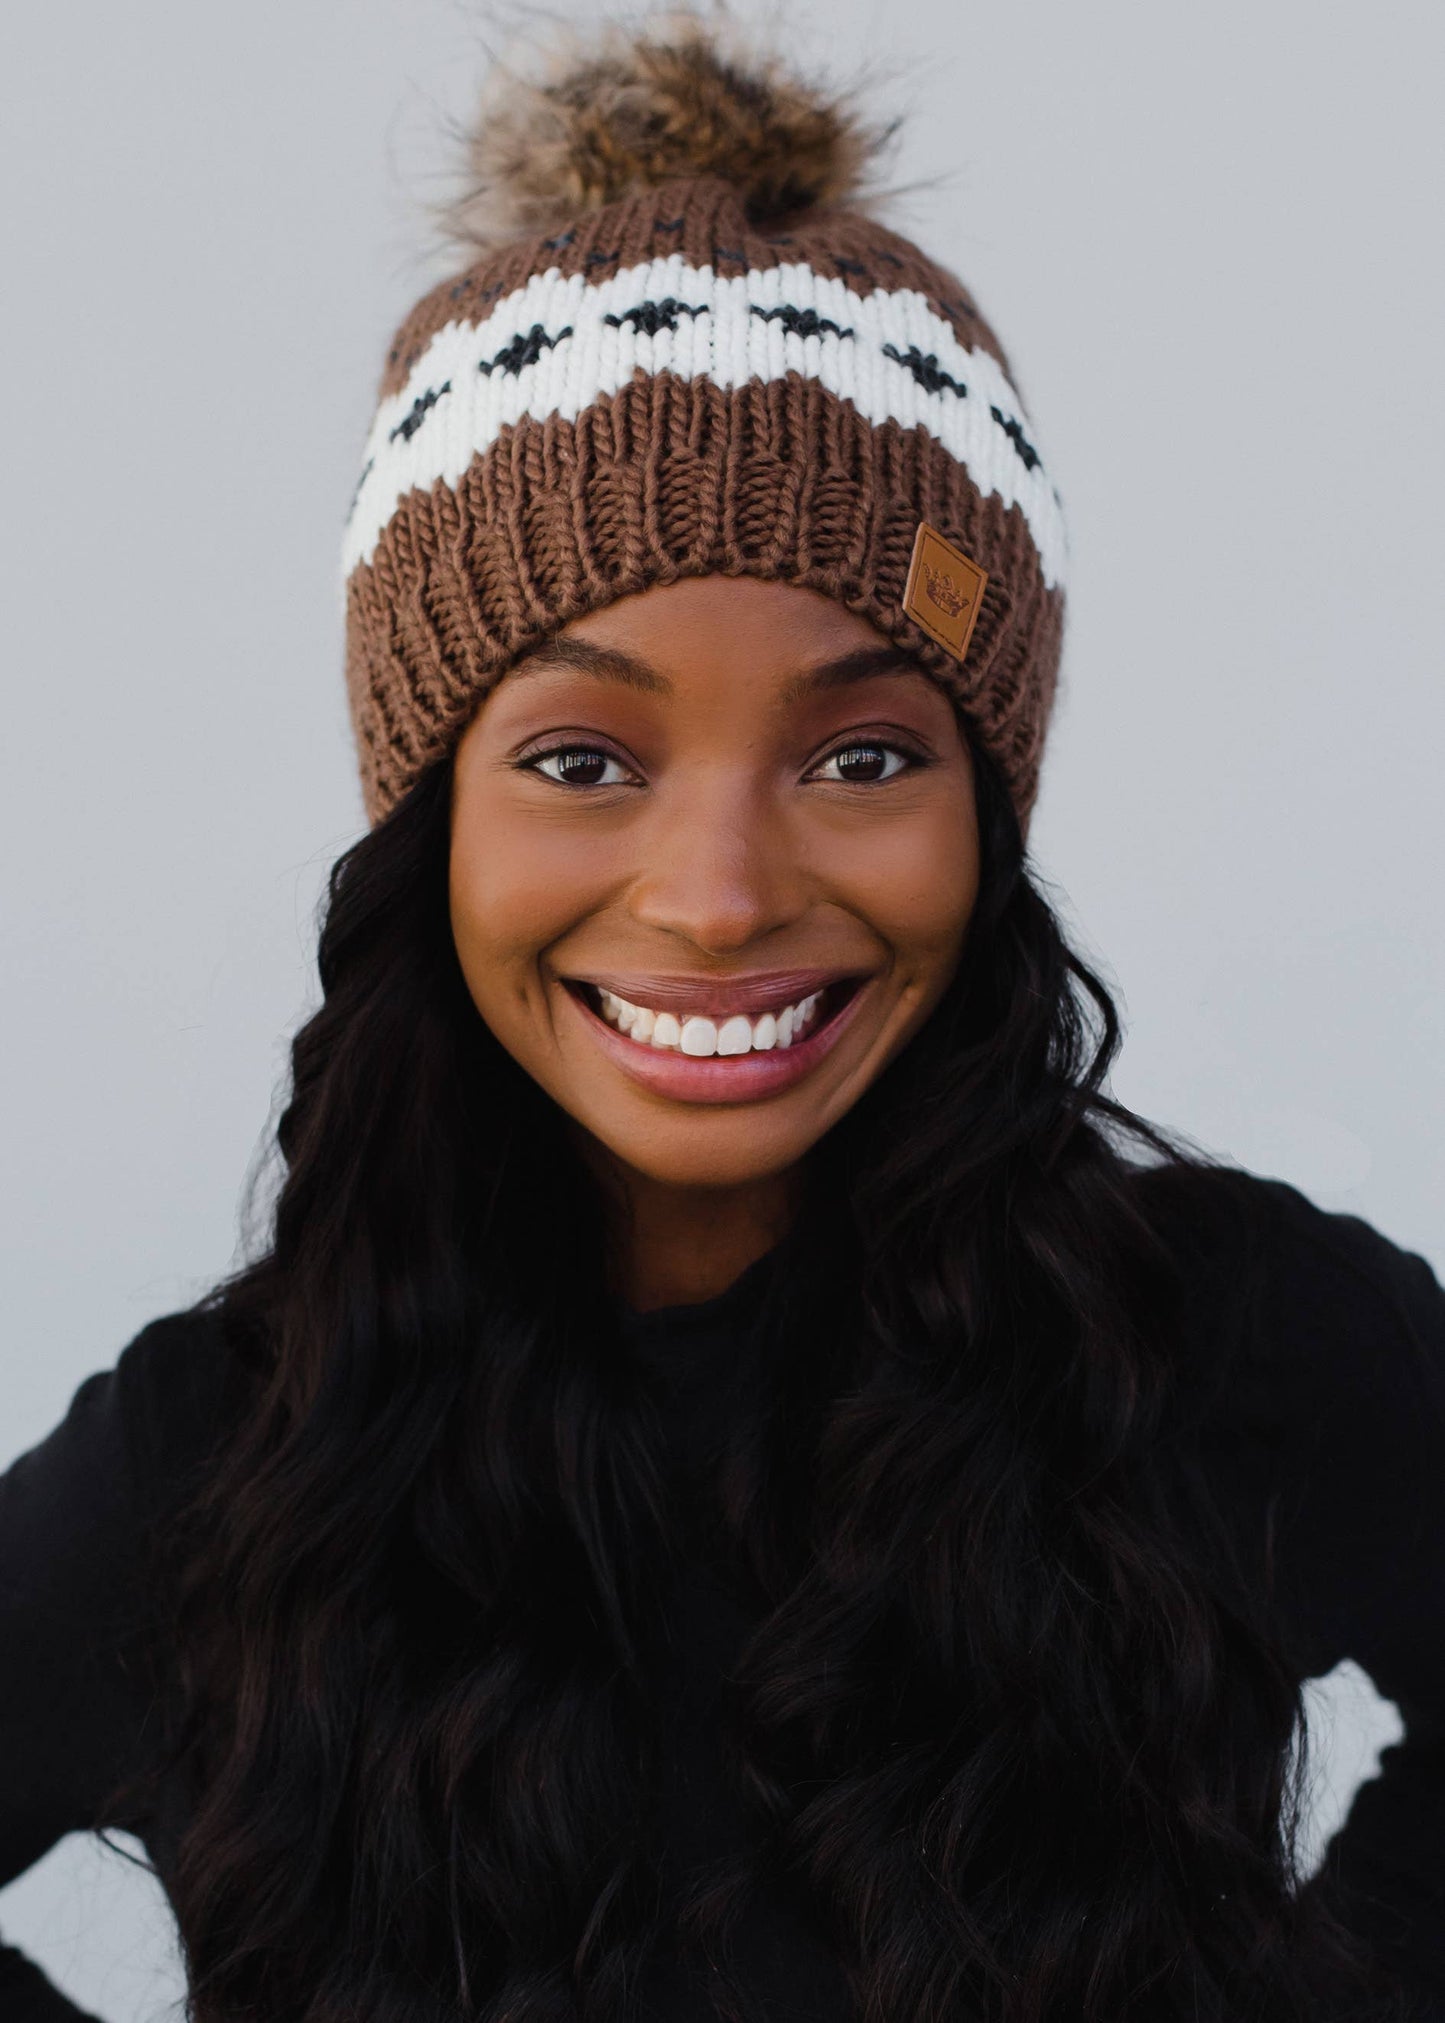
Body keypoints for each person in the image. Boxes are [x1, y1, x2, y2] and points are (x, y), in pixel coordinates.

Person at [2, 11, 1442, 2021]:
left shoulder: (1224, 1347)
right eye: (585, 760)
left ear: (988, 805)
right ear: (431, 825)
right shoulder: (226, 1461)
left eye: (861, 759)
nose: (722, 896)